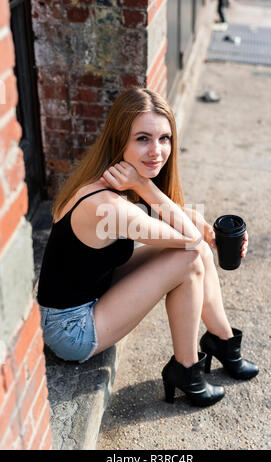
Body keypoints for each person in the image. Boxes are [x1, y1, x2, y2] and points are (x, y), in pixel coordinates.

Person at [37, 87, 258, 408]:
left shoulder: (114, 177)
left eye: (164, 138)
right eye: (142, 138)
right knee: (190, 256)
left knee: (197, 251)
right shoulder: (108, 204)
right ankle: (186, 369)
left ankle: (223, 342)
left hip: (96, 289)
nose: (156, 150)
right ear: (120, 141)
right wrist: (145, 187)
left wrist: (212, 231)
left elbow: (183, 220)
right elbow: (187, 239)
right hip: (72, 329)